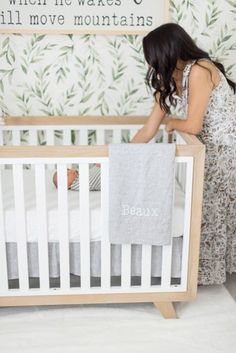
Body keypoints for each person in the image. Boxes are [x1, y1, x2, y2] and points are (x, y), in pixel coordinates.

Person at [130, 22, 236, 285]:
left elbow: (193, 125)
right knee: (206, 210)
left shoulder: (199, 70)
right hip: (207, 150)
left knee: (212, 211)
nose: (152, 63)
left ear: (168, 51)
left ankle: (203, 275)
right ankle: (198, 272)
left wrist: (172, 125)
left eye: (154, 56)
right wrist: (121, 157)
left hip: (225, 151)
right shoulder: (172, 80)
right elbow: (147, 130)